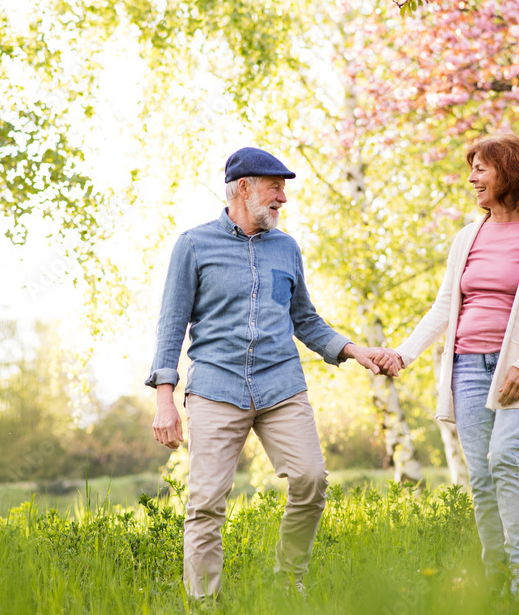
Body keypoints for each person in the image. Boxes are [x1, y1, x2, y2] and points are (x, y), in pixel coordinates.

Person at [146, 146, 388, 601]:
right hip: (216, 387)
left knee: (311, 480)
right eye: (275, 188)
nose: (283, 198)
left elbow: (305, 319)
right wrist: (165, 397)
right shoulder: (194, 245)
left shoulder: (287, 248)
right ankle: (204, 604)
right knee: (205, 503)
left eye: (283, 189)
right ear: (244, 187)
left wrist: (354, 350)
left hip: (281, 385)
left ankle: (287, 580)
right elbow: (171, 323)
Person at [374, 133, 519, 603]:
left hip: (514, 369)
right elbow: (445, 305)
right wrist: (403, 353)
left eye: (481, 169)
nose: (472, 178)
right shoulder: (467, 236)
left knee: (504, 457)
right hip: (465, 367)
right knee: (481, 477)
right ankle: (494, 577)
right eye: (472, 169)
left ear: (510, 171)